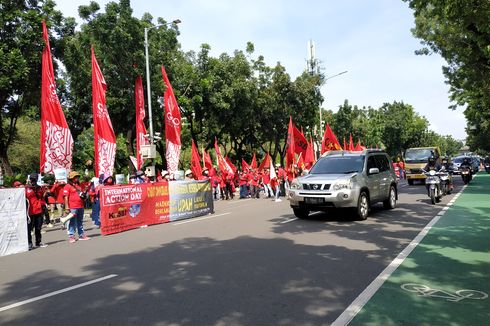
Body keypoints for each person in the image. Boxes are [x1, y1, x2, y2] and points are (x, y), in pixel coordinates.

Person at [63, 171, 90, 243]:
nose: (77, 178)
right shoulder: (67, 186)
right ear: (72, 178)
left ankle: (81, 235)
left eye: (77, 176)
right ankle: (71, 236)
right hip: (72, 207)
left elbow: (82, 195)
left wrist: (86, 190)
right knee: (72, 222)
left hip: (80, 206)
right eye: (75, 177)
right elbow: (66, 197)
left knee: (80, 221)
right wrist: (67, 207)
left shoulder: (79, 185)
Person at [25, 173, 47, 249]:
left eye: (34, 179)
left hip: (38, 210)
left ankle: (38, 242)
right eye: (32, 179)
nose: (33, 180)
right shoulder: (26, 188)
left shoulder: (39, 188)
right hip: (29, 212)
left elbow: (42, 197)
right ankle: (29, 243)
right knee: (29, 228)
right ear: (30, 179)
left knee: (38, 228)